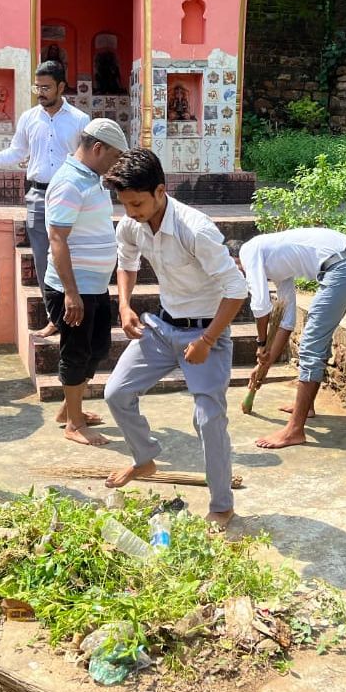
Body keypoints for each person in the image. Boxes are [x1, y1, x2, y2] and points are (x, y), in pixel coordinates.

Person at [101, 149, 249, 530]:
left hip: (206, 332)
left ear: (161, 190)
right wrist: (124, 306)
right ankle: (145, 457)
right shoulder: (130, 225)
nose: (130, 211)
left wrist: (207, 340)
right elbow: (127, 263)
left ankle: (221, 505)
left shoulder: (195, 229)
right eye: (125, 204)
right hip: (162, 328)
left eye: (137, 203)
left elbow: (236, 290)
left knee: (208, 419)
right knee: (116, 393)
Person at [0, 61, 90, 339]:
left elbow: (86, 162)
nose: (40, 92)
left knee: (72, 254)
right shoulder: (29, 118)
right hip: (37, 195)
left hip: (70, 197)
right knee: (42, 260)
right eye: (37, 87)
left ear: (61, 86)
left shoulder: (80, 120)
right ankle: (54, 318)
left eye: (46, 87)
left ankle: (77, 312)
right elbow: (15, 152)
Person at [228, 228, 346, 449]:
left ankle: (295, 430)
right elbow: (287, 320)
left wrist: (260, 343)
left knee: (310, 345)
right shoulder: (277, 263)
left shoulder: (250, 250)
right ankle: (308, 407)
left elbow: (260, 304)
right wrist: (266, 363)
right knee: (317, 340)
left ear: (235, 259)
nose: (242, 275)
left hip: (343, 266)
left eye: (238, 270)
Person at [43, 118, 129, 446]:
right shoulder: (69, 182)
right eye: (113, 157)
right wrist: (71, 293)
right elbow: (57, 240)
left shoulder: (90, 178)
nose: (115, 164)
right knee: (76, 351)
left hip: (94, 285)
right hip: (75, 288)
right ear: (97, 148)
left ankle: (70, 409)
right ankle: (75, 424)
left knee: (98, 348)